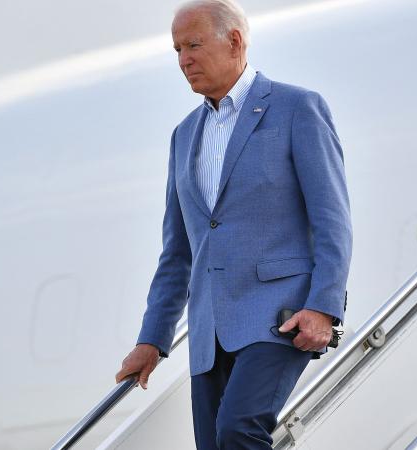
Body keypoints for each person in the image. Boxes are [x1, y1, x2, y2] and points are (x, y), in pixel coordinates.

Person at [114, 1, 352, 448]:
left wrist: (324, 306)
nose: (184, 60)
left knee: (238, 429)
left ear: (235, 41)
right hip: (210, 329)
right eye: (177, 49)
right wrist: (152, 339)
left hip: (280, 316)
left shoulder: (296, 108)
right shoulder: (184, 135)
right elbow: (179, 252)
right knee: (214, 444)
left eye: (194, 45)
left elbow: (332, 218)